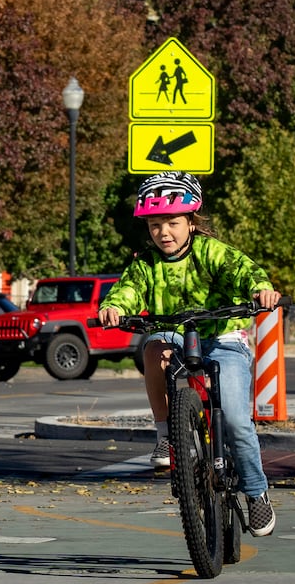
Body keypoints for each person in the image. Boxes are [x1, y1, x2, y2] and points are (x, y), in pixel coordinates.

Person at [97, 171, 282, 537]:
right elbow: (128, 290)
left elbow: (244, 271)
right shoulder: (145, 264)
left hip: (222, 336)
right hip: (173, 334)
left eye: (173, 222)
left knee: (234, 418)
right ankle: (168, 433)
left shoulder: (212, 252)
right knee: (154, 351)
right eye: (155, 224)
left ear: (192, 222)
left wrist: (261, 289)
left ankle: (256, 493)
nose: (164, 232)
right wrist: (113, 306)